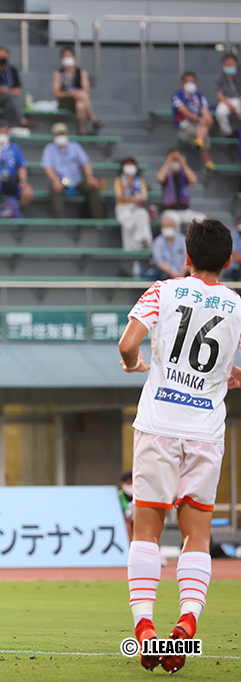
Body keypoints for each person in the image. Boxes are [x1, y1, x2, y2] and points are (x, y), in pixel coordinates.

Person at [118, 219, 241, 674]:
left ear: (185, 256)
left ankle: (145, 628)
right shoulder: (236, 304)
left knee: (146, 530)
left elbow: (128, 343)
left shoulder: (162, 291)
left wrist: (133, 364)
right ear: (229, 261)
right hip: (206, 431)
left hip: (158, 425)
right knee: (198, 535)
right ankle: (187, 622)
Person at [41, 122, 103, 220]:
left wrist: (90, 176)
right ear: (53, 136)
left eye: (63, 134)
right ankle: (60, 220)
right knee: (54, 189)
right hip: (60, 180)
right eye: (58, 134)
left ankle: (98, 220)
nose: (61, 136)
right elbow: (47, 167)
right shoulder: (49, 148)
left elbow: (85, 163)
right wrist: (55, 180)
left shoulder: (75, 146)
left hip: (76, 180)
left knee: (92, 187)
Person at [52, 48, 102, 135]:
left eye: (69, 55)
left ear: (74, 57)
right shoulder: (58, 73)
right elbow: (56, 92)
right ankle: (93, 119)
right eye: (65, 56)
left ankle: (82, 130)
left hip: (78, 99)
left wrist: (75, 92)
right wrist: (68, 94)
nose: (67, 58)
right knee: (83, 95)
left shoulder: (81, 72)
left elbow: (86, 89)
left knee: (80, 106)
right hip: (66, 101)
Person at [172, 72, 215, 170]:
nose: (190, 84)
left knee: (204, 129)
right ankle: (206, 159)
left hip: (198, 125)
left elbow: (205, 110)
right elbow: (184, 111)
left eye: (192, 82)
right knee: (204, 134)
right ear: (182, 83)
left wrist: (208, 119)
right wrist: (200, 119)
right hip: (183, 126)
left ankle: (199, 141)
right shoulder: (177, 96)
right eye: (187, 81)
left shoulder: (200, 96)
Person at [157, 151, 206, 229]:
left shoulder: (183, 174)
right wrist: (168, 162)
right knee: (175, 220)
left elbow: (193, 180)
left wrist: (183, 163)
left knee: (202, 218)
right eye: (174, 161)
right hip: (169, 210)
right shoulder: (167, 174)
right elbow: (160, 178)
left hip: (184, 210)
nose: (176, 163)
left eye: (177, 161)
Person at [114, 158, 152, 251]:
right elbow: (119, 196)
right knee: (129, 225)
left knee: (142, 214)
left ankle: (143, 240)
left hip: (135, 208)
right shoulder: (119, 181)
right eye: (127, 165)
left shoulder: (139, 181)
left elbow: (144, 196)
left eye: (132, 165)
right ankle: (136, 244)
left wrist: (130, 199)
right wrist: (126, 189)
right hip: (123, 209)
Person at [0, 46, 27, 128]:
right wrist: (7, 91)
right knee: (8, 97)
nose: (2, 58)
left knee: (9, 102)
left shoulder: (13, 70)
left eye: (4, 56)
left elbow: (17, 90)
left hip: (10, 99)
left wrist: (5, 91)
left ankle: (9, 126)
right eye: (0, 56)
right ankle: (21, 119)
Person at [214, 54, 241, 137]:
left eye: (231, 63)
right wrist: (229, 105)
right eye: (227, 64)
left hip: (239, 99)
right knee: (220, 112)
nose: (229, 65)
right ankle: (228, 133)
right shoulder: (220, 78)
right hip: (227, 100)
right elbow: (219, 93)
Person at [118, 471, 136, 541]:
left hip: (138, 520)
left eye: (132, 483)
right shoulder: (118, 496)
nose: (130, 485)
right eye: (128, 483)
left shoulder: (140, 496)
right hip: (123, 522)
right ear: (122, 485)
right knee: (127, 524)